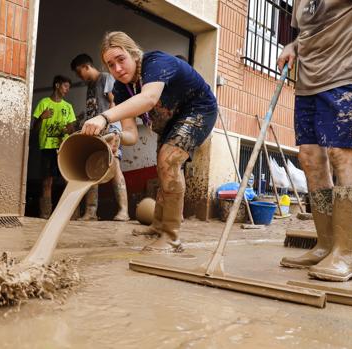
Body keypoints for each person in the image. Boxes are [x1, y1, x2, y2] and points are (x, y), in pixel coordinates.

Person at [81, 32, 218, 253]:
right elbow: (131, 134)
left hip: (198, 110)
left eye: (121, 59)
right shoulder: (120, 88)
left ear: (133, 53)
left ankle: (171, 236)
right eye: (110, 64)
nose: (117, 69)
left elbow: (149, 99)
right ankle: (157, 225)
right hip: (169, 123)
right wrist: (115, 136)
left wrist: (104, 117)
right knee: (163, 167)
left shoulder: (155, 62)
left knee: (168, 161)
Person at [276, 0, 352, 281]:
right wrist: (292, 46)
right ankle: (325, 246)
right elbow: (306, 32)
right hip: (308, 85)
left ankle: (345, 256)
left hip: (349, 77)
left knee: (342, 155)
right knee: (309, 158)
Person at [70, 53, 129, 221]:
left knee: (115, 167)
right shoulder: (90, 86)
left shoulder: (105, 78)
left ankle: (123, 211)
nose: (78, 76)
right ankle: (91, 211)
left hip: (110, 131)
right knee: (93, 169)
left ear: (86, 67)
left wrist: (111, 128)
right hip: (96, 133)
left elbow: (114, 102)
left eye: (78, 72)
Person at [32, 75, 77, 218]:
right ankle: (45, 215)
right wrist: (41, 117)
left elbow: (72, 129)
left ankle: (71, 215)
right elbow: (35, 128)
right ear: (57, 85)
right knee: (47, 182)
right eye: (65, 86)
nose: (67, 90)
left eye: (68, 88)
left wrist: (68, 130)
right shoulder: (43, 103)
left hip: (63, 148)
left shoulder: (68, 107)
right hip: (47, 148)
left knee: (68, 180)